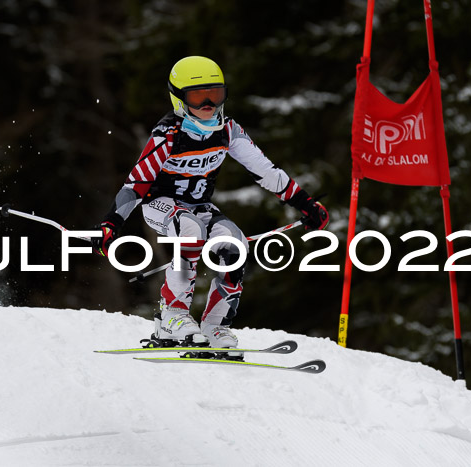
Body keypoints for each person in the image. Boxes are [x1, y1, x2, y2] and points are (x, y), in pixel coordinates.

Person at [92, 56, 329, 349]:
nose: (208, 105)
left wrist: (305, 204)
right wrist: (111, 223)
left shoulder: (227, 130)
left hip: (200, 206)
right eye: (198, 97)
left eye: (215, 95)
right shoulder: (168, 135)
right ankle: (172, 315)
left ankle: (215, 325)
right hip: (159, 205)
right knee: (191, 230)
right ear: (179, 99)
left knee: (234, 244)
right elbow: (136, 183)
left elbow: (266, 171)